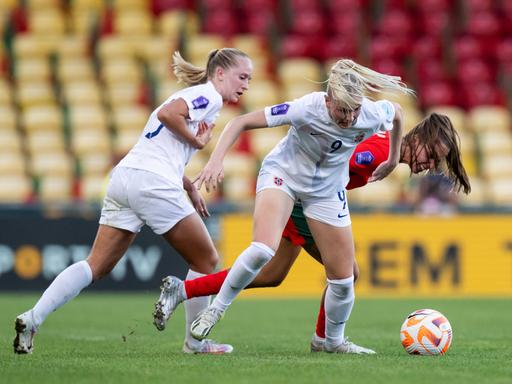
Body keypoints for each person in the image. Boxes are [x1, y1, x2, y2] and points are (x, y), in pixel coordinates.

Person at [153, 112, 471, 352]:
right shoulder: (377, 151)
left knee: (271, 275)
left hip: (303, 200)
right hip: (304, 200)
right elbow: (334, 162)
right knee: (346, 273)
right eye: (432, 155)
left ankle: (183, 290)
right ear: (417, 139)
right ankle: (326, 341)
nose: (431, 165)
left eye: (438, 161)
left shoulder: (387, 148)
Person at [13, 48, 253, 355]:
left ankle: (33, 318)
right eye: (242, 76)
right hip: (151, 183)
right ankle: (195, 343)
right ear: (220, 74)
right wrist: (198, 142)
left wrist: (188, 186)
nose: (245, 84)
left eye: (249, 78)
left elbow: (161, 146)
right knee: (205, 260)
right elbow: (169, 117)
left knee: (95, 265)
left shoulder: (195, 97)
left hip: (125, 178)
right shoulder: (209, 96)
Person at [182, 58, 415, 354]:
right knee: (263, 249)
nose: (349, 118)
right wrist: (216, 159)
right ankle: (215, 310)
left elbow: (396, 112)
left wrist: (394, 159)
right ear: (328, 100)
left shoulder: (368, 113)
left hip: (326, 190)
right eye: (343, 110)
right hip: (284, 176)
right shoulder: (306, 108)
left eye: (354, 110)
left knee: (344, 280)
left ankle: (333, 342)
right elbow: (240, 121)